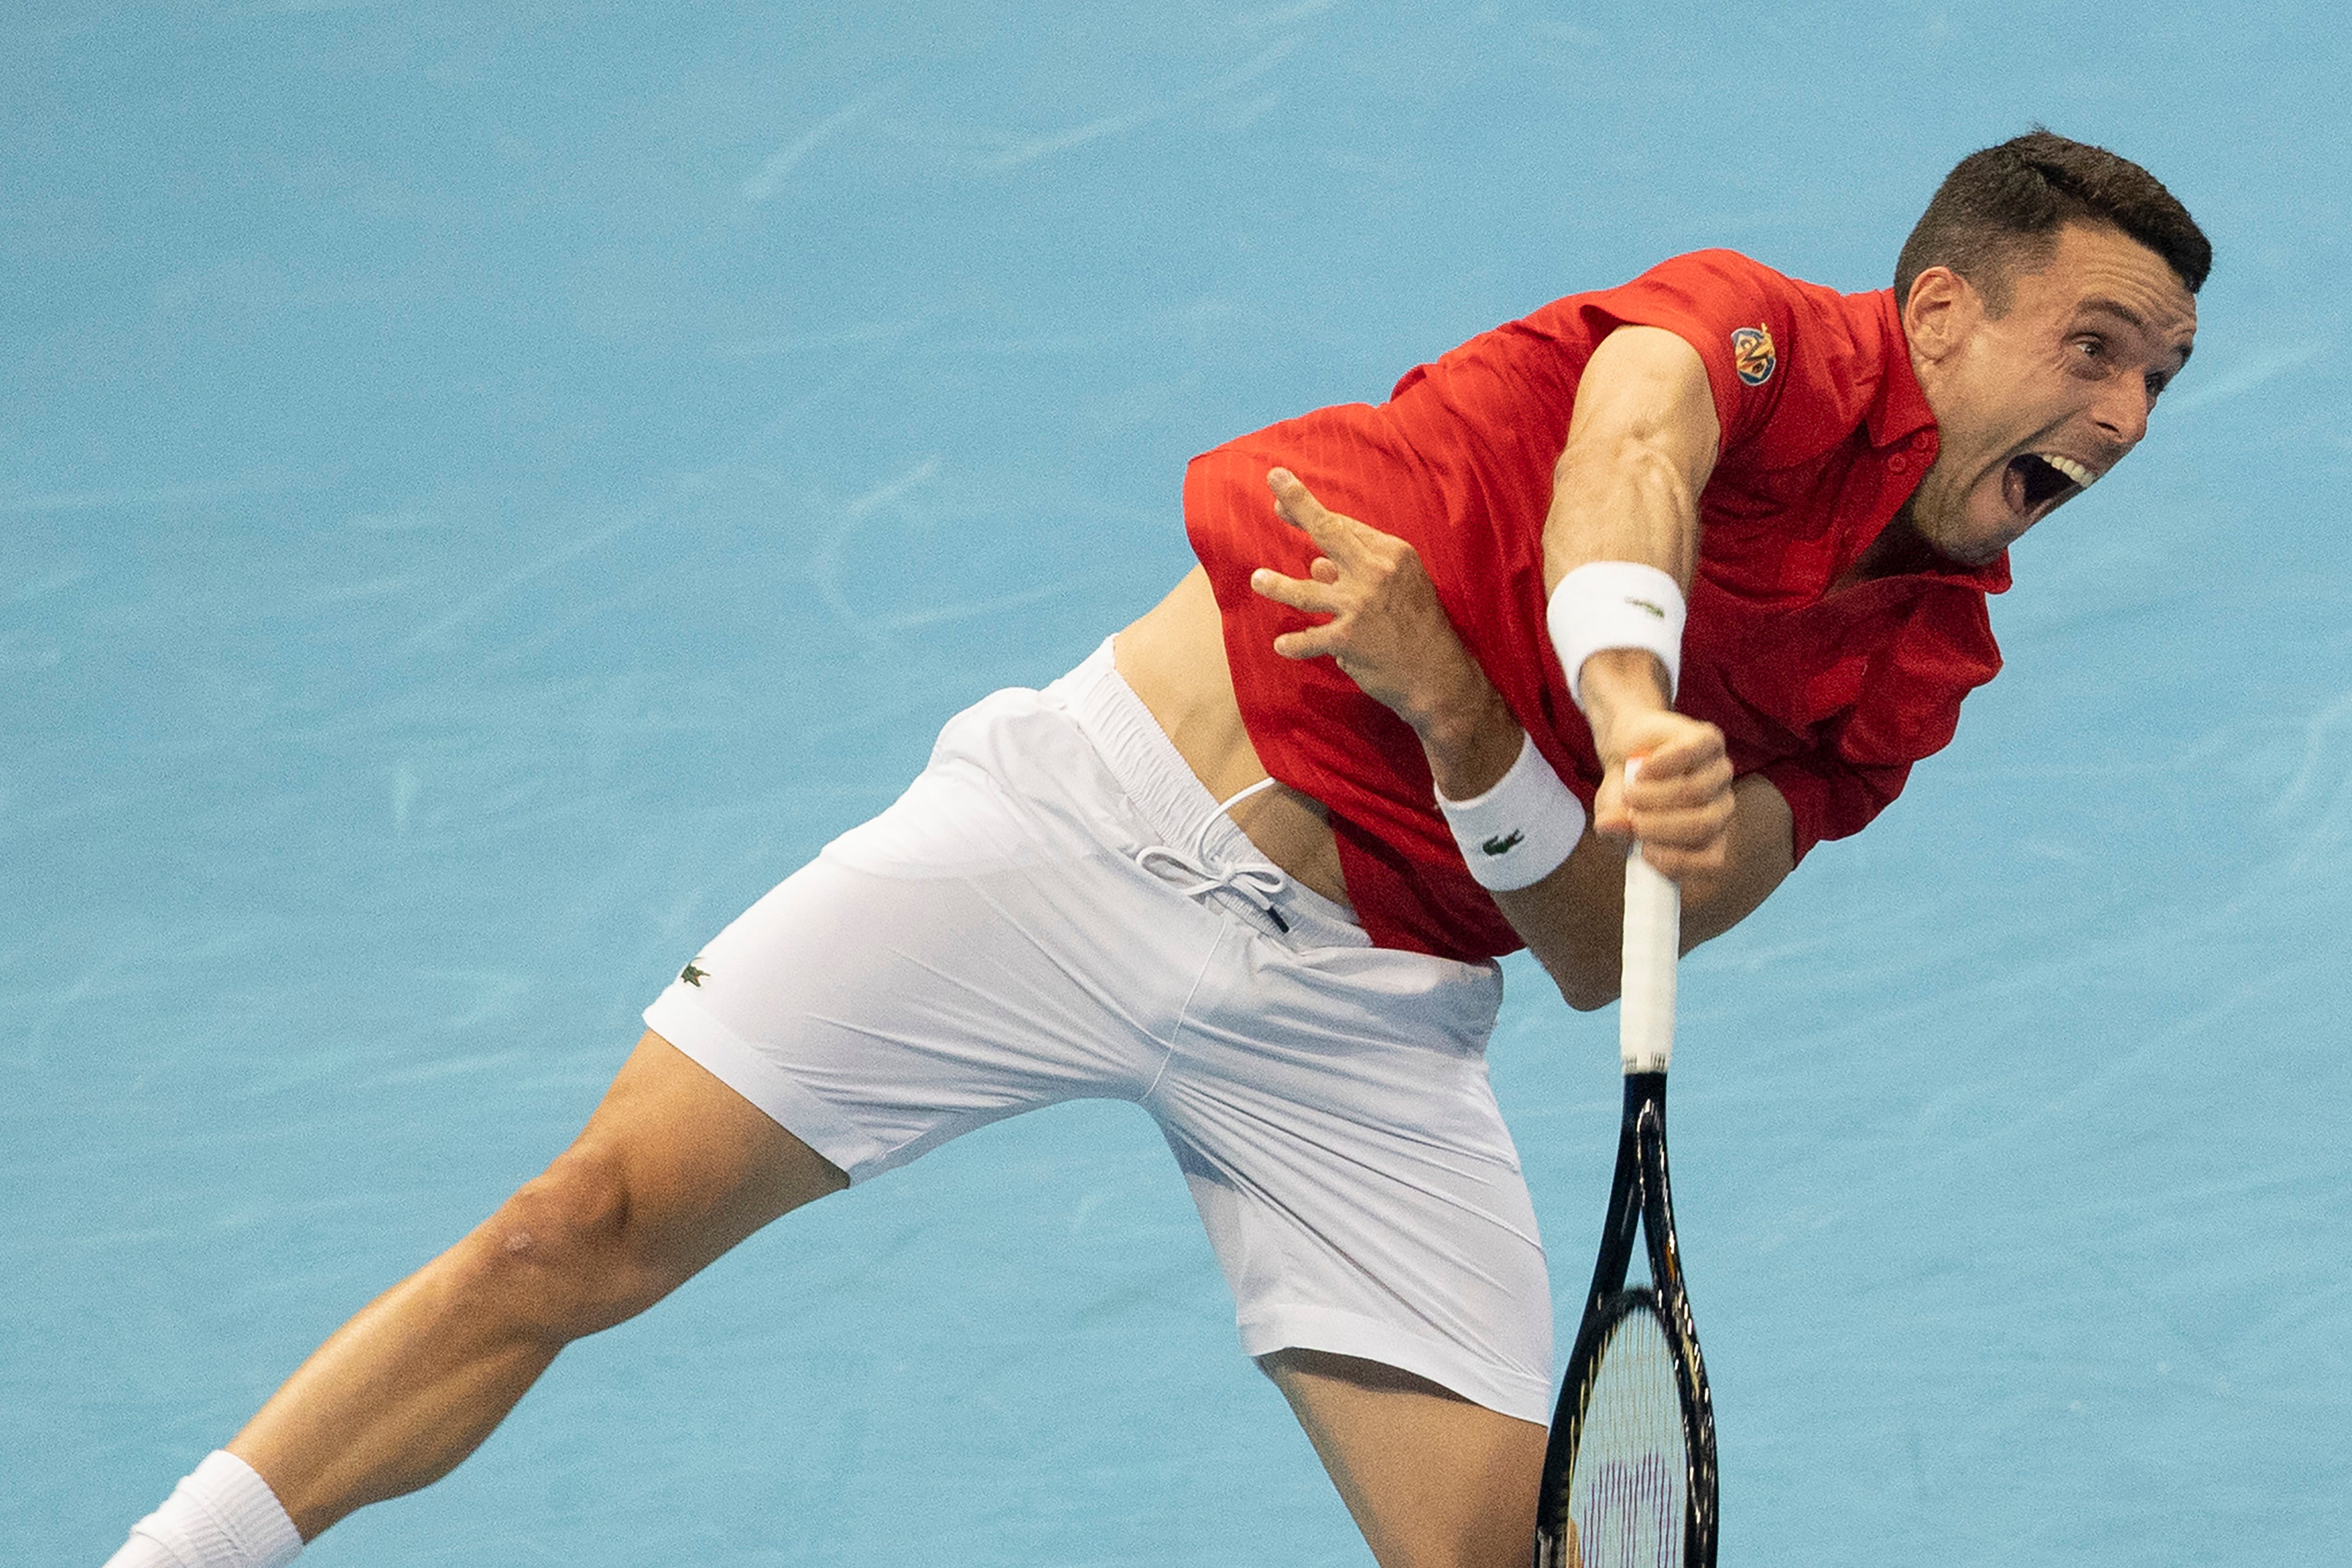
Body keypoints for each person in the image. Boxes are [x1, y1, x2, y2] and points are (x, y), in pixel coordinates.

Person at [107, 129, 2205, 1568]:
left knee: (1507, 1555)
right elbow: (1622, 464)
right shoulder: (1740, 332)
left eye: (2156, 381)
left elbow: (1595, 943)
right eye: (2085, 348)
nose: (2114, 417)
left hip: (1359, 1017)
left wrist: (1476, 725)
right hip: (1072, 835)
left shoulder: (1916, 660)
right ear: (1935, 312)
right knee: (573, 1233)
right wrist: (1630, 705)